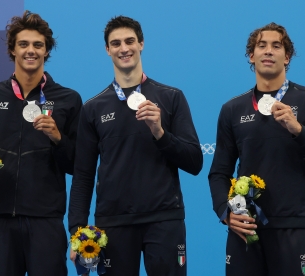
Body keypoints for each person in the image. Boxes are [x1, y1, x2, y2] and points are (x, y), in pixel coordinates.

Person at [208, 22, 305, 276]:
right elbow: (218, 172)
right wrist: (226, 213)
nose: (268, 51)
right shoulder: (232, 109)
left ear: (287, 57)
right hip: (245, 232)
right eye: (261, 46)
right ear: (252, 55)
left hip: (293, 230)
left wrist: (299, 131)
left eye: (276, 46)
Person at [68, 15, 203, 276]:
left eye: (130, 41)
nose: (124, 48)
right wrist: (77, 230)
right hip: (113, 224)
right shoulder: (93, 108)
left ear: (141, 44)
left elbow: (195, 162)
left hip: (164, 219)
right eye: (116, 43)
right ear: (107, 50)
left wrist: (160, 133)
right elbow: (83, 175)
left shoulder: (171, 98)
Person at [0, 11, 82, 276]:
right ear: (12, 50)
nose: (31, 50)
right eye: (23, 44)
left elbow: (78, 164)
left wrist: (58, 138)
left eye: (38, 45)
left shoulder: (68, 99)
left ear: (46, 51)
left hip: (46, 221)